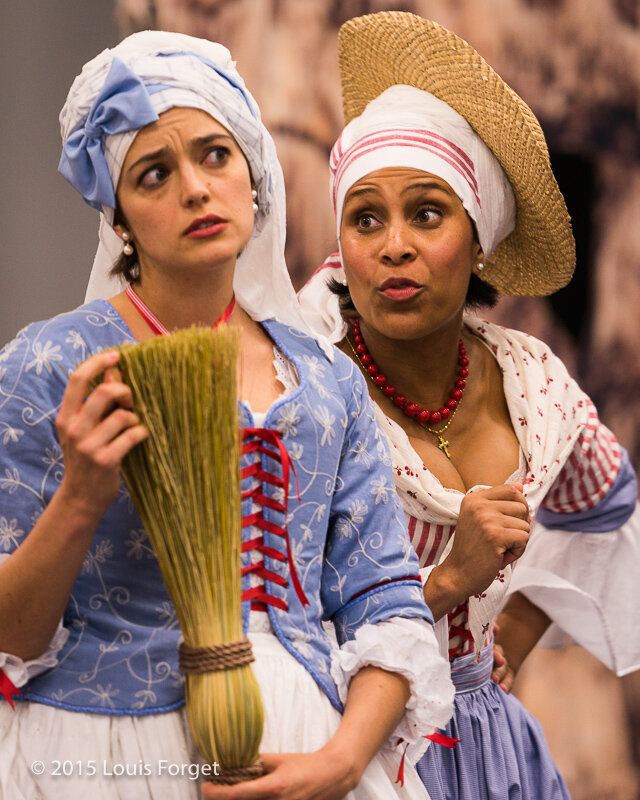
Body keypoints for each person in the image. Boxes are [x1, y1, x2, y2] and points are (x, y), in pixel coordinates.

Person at [0, 31, 455, 800]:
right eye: (154, 173)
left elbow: (386, 600)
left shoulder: (324, 383)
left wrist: (343, 761)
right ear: (119, 221)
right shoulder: (50, 368)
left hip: (305, 747)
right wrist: (81, 496)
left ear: (255, 176)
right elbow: (13, 636)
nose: (195, 189)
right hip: (104, 756)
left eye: (216, 155)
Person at [299, 11, 640, 800]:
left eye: (426, 213)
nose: (393, 247)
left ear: (479, 235)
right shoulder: (310, 396)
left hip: (486, 743)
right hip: (348, 744)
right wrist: (450, 581)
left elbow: (604, 504)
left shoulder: (532, 383)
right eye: (366, 218)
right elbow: (280, 627)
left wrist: (510, 637)